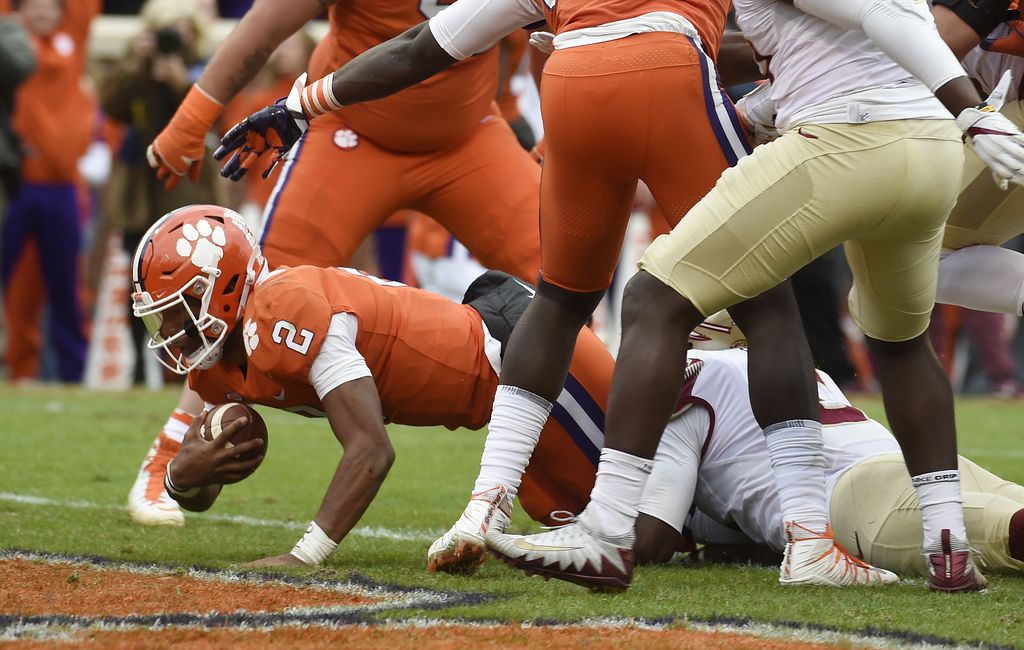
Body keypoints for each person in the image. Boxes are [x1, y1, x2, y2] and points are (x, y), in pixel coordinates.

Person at [213, 0, 783, 586]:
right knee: (759, 304)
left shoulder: (283, 311)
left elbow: (424, 47)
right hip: (669, 78)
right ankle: (806, 529)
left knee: (576, 309)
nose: (176, 330)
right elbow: (812, 31)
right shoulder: (235, 351)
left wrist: (302, 104)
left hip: (570, 99)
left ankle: (495, 507)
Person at [483, 0, 1024, 594]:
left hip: (851, 137)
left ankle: (605, 533)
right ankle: (947, 548)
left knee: (652, 298)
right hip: (928, 147)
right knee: (899, 342)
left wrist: (972, 110)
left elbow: (880, 14)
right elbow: (803, 54)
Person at [128, 0, 545, 525]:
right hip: (351, 129)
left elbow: (551, 28)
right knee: (248, 301)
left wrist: (542, 119)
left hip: (469, 133)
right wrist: (193, 116)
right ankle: (173, 456)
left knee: (567, 276)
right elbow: (267, 25)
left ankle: (602, 464)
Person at [129, 204, 609, 568]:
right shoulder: (218, 362)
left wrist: (304, 556)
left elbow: (371, 450)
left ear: (224, 285)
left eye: (178, 306)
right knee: (564, 515)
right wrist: (179, 479)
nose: (171, 326)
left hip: (524, 354)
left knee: (645, 532)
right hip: (499, 401)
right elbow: (203, 491)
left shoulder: (283, 310)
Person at [630, 346, 1024, 579]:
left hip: (862, 502)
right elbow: (749, 514)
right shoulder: (787, 361)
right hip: (921, 466)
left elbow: (652, 541)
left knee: (1012, 534)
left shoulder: (689, 377)